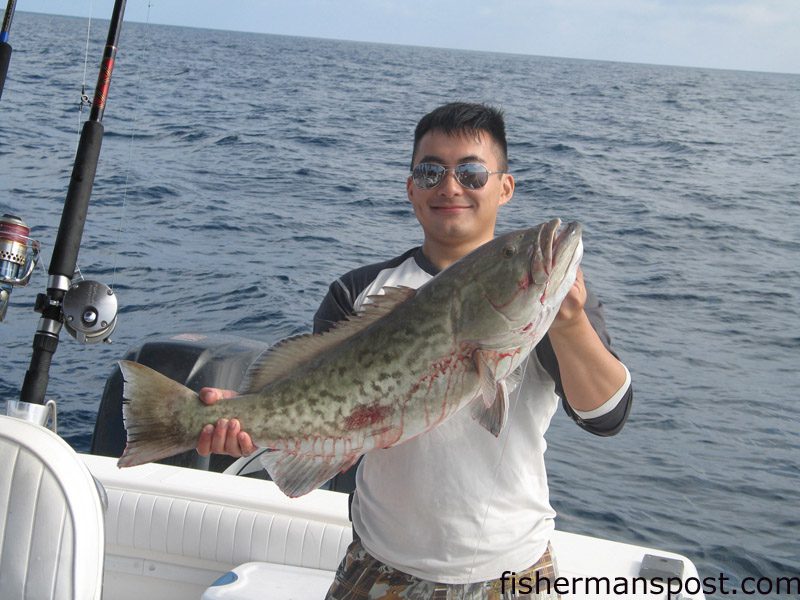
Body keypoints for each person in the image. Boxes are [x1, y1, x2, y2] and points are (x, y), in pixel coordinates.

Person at [196, 102, 632, 599]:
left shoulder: (551, 297)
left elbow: (606, 415)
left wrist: (571, 319)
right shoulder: (359, 293)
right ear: (410, 189)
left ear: (504, 188)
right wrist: (250, 431)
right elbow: (334, 441)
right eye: (431, 172)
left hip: (514, 571)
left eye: (471, 172)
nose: (450, 187)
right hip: (380, 565)